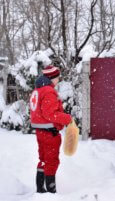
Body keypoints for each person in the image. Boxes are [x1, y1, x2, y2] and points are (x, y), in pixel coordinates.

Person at [29, 65, 72, 193]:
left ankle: (40, 189)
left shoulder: (38, 90)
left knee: (43, 160)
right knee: (51, 161)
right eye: (57, 77)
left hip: (40, 131)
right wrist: (67, 118)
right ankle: (51, 192)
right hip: (49, 133)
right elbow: (50, 114)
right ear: (52, 77)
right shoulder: (48, 91)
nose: (58, 79)